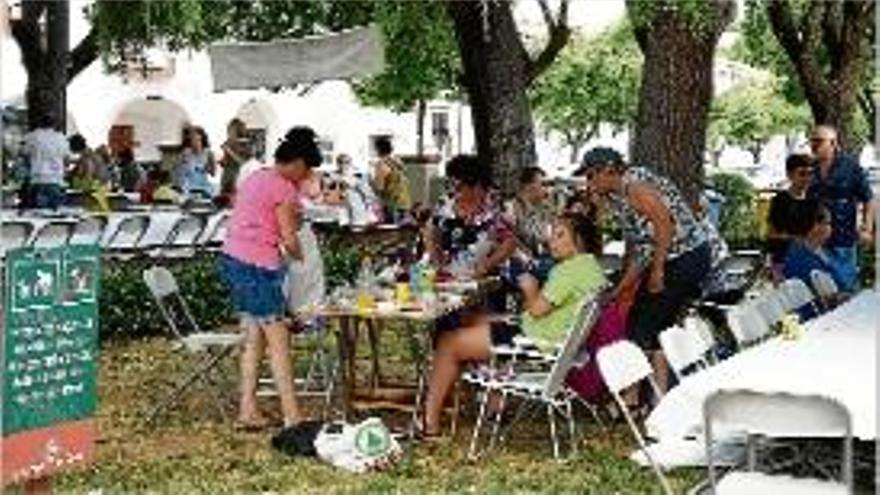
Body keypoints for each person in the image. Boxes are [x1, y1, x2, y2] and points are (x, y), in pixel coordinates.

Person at [421, 212, 606, 437]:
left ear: (579, 241)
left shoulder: (568, 271)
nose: (552, 241)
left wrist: (530, 288)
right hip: (554, 337)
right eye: (552, 235)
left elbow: (536, 310)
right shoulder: (590, 267)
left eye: (560, 235)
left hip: (537, 340)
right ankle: (492, 402)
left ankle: (429, 422)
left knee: (448, 342)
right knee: (472, 319)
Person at [576, 147, 710, 397]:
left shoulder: (635, 185)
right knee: (659, 327)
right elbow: (642, 248)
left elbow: (664, 225)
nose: (589, 182)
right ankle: (660, 396)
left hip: (684, 258)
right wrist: (621, 288)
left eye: (591, 175)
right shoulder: (619, 196)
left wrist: (658, 270)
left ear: (608, 169)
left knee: (641, 325)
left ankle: (633, 398)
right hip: (677, 258)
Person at [218, 127, 322, 429]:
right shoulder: (284, 189)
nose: (305, 176)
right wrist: (303, 258)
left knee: (254, 338)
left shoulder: (256, 177)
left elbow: (259, 219)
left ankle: (247, 410)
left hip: (234, 259)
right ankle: (293, 416)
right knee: (279, 341)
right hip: (258, 267)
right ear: (297, 163)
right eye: (306, 169)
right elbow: (290, 240)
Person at [423, 154, 515, 279]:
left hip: (485, 278)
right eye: (449, 184)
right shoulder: (446, 203)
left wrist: (486, 266)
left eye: (459, 186)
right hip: (448, 277)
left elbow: (509, 243)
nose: (453, 190)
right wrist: (436, 259)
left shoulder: (495, 206)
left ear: (476, 186)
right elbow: (430, 231)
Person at [808, 125, 874, 292]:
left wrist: (866, 228)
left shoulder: (850, 166)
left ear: (833, 143)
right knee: (822, 290)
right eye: (812, 141)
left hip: (843, 238)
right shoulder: (810, 169)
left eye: (819, 141)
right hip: (817, 240)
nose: (814, 145)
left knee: (846, 285)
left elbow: (868, 198)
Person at [782, 199, 847, 317]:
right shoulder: (798, 258)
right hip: (816, 320)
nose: (831, 228)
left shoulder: (819, 251)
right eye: (828, 223)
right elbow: (834, 294)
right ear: (814, 225)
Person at [767, 154, 814, 281]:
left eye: (810, 174)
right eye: (802, 174)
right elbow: (772, 234)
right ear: (789, 175)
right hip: (783, 262)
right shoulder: (779, 200)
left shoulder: (814, 201)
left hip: (807, 260)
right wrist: (774, 268)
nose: (807, 178)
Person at [508, 166, 555, 281]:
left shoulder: (544, 208)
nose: (547, 189)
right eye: (543, 184)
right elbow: (508, 240)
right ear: (528, 186)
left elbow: (547, 237)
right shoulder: (511, 207)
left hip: (541, 259)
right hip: (520, 262)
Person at [23, 114, 69, 209]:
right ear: (54, 125)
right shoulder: (61, 138)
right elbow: (66, 159)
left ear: (40, 123)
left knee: (38, 216)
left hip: (37, 179)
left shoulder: (32, 136)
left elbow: (25, 155)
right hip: (56, 180)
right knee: (57, 216)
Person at [371, 137, 411, 222]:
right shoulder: (397, 163)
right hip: (404, 202)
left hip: (391, 204)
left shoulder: (381, 165)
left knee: (391, 233)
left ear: (378, 150)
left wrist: (371, 184)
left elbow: (379, 187)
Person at [176, 126, 216, 198]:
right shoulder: (185, 153)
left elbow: (213, 173)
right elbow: (179, 172)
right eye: (192, 139)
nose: (195, 143)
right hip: (188, 187)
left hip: (204, 187)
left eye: (198, 140)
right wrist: (183, 162)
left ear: (202, 139)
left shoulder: (209, 153)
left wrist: (207, 168)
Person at [219, 118, 249, 199]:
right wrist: (222, 161)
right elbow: (225, 162)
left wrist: (228, 150)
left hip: (237, 177)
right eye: (228, 131)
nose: (229, 133)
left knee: (236, 202)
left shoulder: (245, 144)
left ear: (238, 131)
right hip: (226, 177)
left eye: (231, 131)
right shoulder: (228, 142)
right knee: (223, 201)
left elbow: (244, 163)